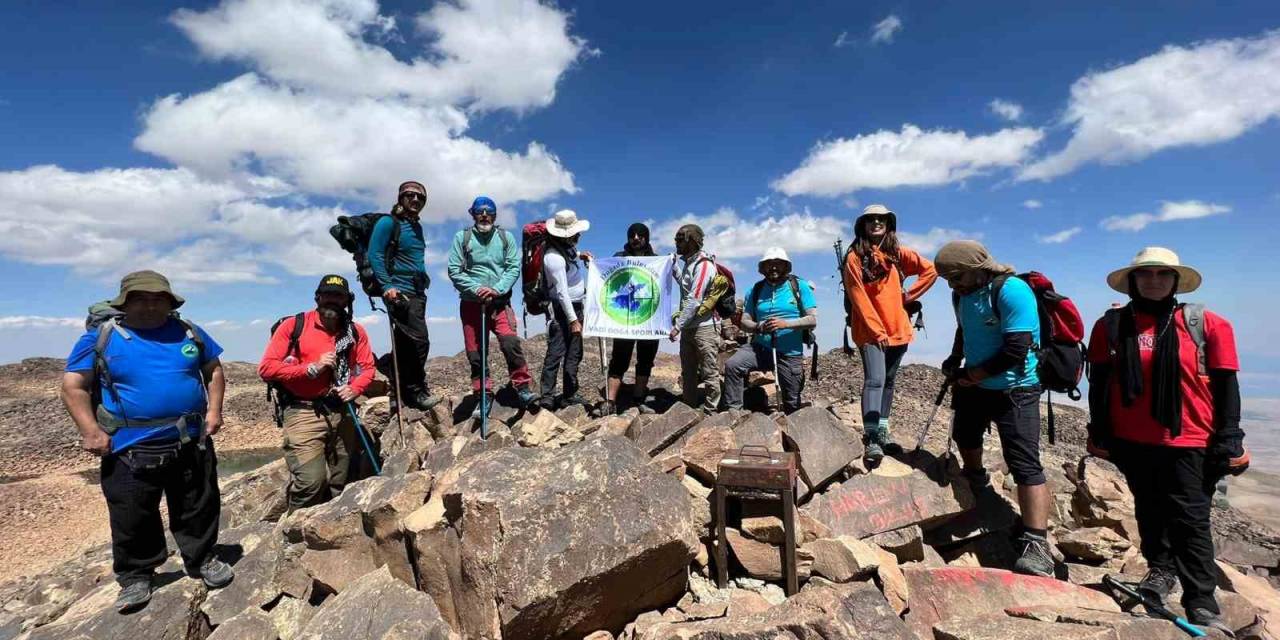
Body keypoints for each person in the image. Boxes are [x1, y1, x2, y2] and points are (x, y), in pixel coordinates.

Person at [1085, 247, 1248, 636]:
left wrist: (1230, 438)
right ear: (1132, 282)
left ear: (1175, 281)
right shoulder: (1110, 326)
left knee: (1190, 521)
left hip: (1190, 439)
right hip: (1132, 440)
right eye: (1145, 274)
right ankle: (1160, 571)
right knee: (1149, 510)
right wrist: (1099, 430)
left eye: (1162, 274)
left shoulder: (1207, 324)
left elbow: (1227, 385)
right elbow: (1101, 382)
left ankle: (1201, 601)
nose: (1154, 280)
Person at [60, 270, 233, 613]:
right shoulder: (104, 337)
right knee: (132, 513)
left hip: (190, 439)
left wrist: (214, 411)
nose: (151, 306)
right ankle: (136, 575)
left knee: (198, 504)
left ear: (170, 303)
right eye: (141, 298)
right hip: (128, 445)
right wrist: (90, 431)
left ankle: (201, 559)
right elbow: (73, 386)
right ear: (125, 302)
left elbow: (213, 370)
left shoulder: (189, 332)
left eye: (159, 299)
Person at [934, 240, 1052, 578]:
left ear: (977, 267)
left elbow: (1016, 348)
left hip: (1017, 389)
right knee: (965, 434)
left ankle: (1037, 544)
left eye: (955, 276)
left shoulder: (1012, 291)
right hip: (978, 383)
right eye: (947, 279)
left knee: (1024, 462)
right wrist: (956, 360)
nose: (951, 284)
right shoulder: (962, 294)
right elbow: (965, 329)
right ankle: (977, 481)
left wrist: (973, 374)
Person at [258, 275, 376, 513]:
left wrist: (355, 387)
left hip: (342, 411)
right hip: (303, 411)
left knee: (340, 480)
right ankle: (294, 533)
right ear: (318, 297)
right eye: (327, 295)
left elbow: (367, 367)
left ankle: (332, 527)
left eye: (338, 296)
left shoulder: (354, 332)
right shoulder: (294, 325)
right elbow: (266, 368)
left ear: (347, 300)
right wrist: (310, 369)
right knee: (311, 482)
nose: (332, 300)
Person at [842, 204, 937, 463]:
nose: (876, 223)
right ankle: (871, 437)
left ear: (888, 224)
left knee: (890, 382)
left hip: (898, 328)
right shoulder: (854, 257)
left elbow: (930, 270)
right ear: (862, 225)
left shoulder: (896, 254)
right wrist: (876, 330)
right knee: (875, 380)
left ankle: (882, 432)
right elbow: (858, 297)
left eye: (881, 219)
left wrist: (908, 296)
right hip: (871, 331)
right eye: (871, 219)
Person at [446, 196, 536, 411]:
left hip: (500, 303)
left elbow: (513, 267)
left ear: (495, 215)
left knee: (510, 344)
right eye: (480, 212)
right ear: (473, 214)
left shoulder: (506, 238)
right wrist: (477, 289)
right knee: (475, 352)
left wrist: (496, 289)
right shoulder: (463, 237)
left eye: (489, 212)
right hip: (471, 304)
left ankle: (522, 387)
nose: (484, 215)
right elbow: (454, 270)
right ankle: (483, 393)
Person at [369, 180, 439, 410]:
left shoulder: (416, 227)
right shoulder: (388, 223)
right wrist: (387, 285)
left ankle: (394, 373)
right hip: (400, 291)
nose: (416, 200)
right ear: (401, 197)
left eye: (421, 197)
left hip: (417, 291)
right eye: (411, 195)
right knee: (420, 342)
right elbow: (375, 254)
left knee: (406, 342)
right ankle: (415, 391)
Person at [723, 247, 817, 414]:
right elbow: (745, 321)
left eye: (778, 264)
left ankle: (792, 429)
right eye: (769, 264)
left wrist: (784, 324)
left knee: (792, 401)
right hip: (760, 348)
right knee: (733, 365)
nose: (773, 267)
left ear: (786, 266)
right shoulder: (755, 290)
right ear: (762, 268)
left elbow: (812, 320)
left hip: (790, 352)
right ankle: (734, 413)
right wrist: (759, 327)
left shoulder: (799, 286)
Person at [600, 222, 660, 415]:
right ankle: (610, 402)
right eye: (632, 235)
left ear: (646, 237)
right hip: (623, 320)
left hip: (648, 319)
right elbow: (606, 277)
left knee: (646, 359)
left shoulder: (657, 260)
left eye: (640, 235)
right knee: (619, 359)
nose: (635, 238)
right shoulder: (619, 258)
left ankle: (638, 399)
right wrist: (593, 266)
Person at [538, 209, 593, 410]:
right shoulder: (553, 258)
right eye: (576, 233)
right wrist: (573, 320)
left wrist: (581, 255)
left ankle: (569, 394)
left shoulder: (566, 250)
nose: (579, 235)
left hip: (576, 307)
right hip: (563, 311)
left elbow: (572, 255)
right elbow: (562, 293)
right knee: (556, 352)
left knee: (574, 353)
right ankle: (547, 397)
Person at [668, 224, 722, 412]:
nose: (676, 242)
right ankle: (688, 410)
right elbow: (685, 288)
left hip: (705, 328)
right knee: (688, 372)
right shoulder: (689, 264)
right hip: (690, 327)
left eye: (680, 238)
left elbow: (694, 298)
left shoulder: (704, 264)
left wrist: (677, 326)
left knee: (709, 371)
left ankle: (711, 411)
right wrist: (674, 266)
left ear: (691, 240)